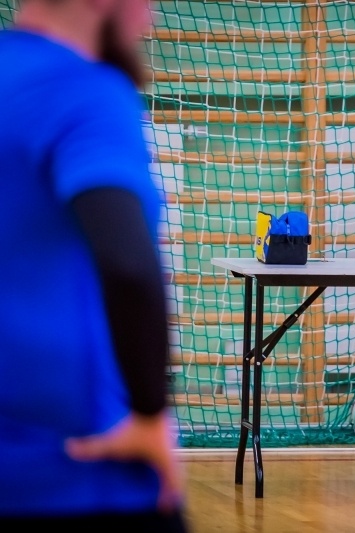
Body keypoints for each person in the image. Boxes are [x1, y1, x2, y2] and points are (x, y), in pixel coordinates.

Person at [0, 0, 188, 529]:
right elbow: (128, 261)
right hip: (79, 474)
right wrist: (151, 416)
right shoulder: (84, 90)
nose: (149, 17)